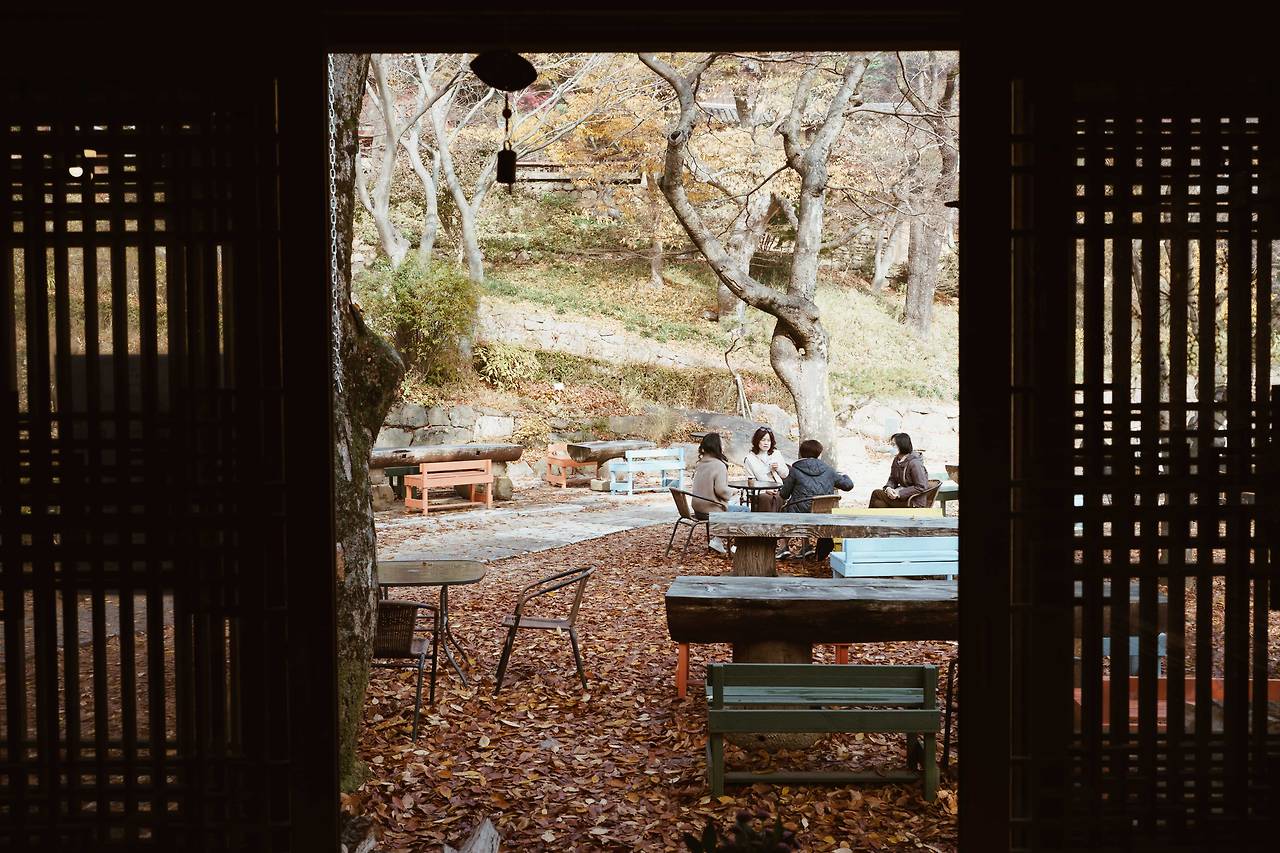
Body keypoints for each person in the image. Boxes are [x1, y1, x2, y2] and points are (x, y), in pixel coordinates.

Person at [777, 439, 854, 560]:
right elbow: (848, 485)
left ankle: (784, 547)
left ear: (801, 454)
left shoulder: (795, 471)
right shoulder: (829, 470)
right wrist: (844, 475)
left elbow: (784, 494)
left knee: (783, 509)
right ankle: (807, 547)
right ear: (819, 454)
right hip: (823, 513)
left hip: (799, 513)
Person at [689, 432, 741, 554]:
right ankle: (737, 546)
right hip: (711, 510)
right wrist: (733, 491)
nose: (723, 447)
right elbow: (721, 490)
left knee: (733, 507)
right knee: (744, 511)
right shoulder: (719, 465)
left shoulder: (700, 464)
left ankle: (717, 540)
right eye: (722, 444)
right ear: (716, 446)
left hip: (698, 509)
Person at [869, 432, 930, 508]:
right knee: (878, 504)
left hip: (913, 501)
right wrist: (888, 488)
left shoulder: (915, 463)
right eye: (891, 444)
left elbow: (921, 487)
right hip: (902, 498)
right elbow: (892, 479)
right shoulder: (897, 460)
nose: (891, 447)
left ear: (902, 445)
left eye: (894, 445)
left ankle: (865, 516)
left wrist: (899, 493)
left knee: (876, 493)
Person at [742, 426, 789, 513]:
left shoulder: (776, 454)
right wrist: (765, 490)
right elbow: (751, 482)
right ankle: (767, 520)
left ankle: (778, 520)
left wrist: (778, 468)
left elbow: (785, 474)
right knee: (766, 498)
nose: (766, 443)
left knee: (779, 497)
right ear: (757, 441)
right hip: (761, 491)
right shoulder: (749, 458)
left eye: (768, 440)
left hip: (778, 488)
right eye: (763, 440)